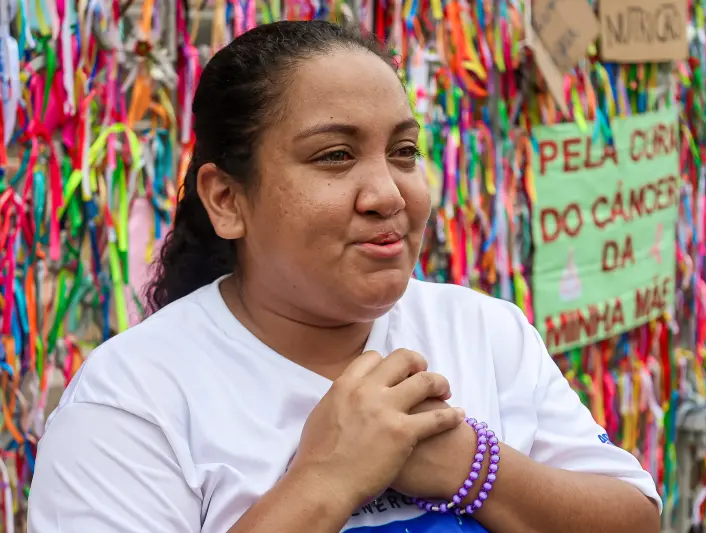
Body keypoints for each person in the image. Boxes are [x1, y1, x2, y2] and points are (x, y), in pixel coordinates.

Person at [28, 21, 661, 533]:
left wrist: (473, 466)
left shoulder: (484, 330)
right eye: (335, 156)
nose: (388, 193)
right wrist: (326, 480)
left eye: (403, 152)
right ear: (226, 200)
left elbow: (634, 517)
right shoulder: (131, 405)